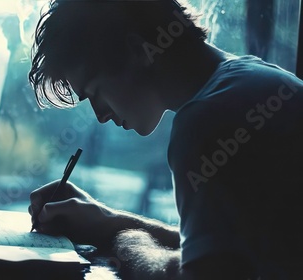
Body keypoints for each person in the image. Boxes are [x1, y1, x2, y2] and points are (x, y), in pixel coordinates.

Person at [27, 0, 303, 279]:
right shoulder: (260, 83)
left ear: (138, 51)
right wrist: (109, 222)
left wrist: (128, 241)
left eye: (95, 92)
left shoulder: (209, 119)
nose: (100, 115)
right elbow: (222, 252)